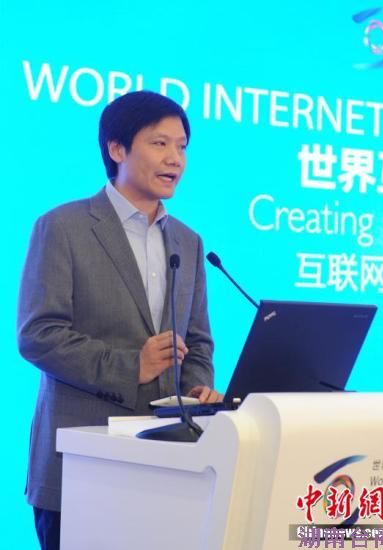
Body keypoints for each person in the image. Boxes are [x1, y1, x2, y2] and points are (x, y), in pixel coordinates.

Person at [17, 90, 219, 550]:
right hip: (80, 465)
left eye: (182, 146)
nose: (175, 159)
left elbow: (198, 341)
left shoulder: (187, 241)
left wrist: (196, 390)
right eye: (160, 143)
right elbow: (38, 335)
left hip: (169, 467)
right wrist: (132, 366)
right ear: (116, 149)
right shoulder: (63, 227)